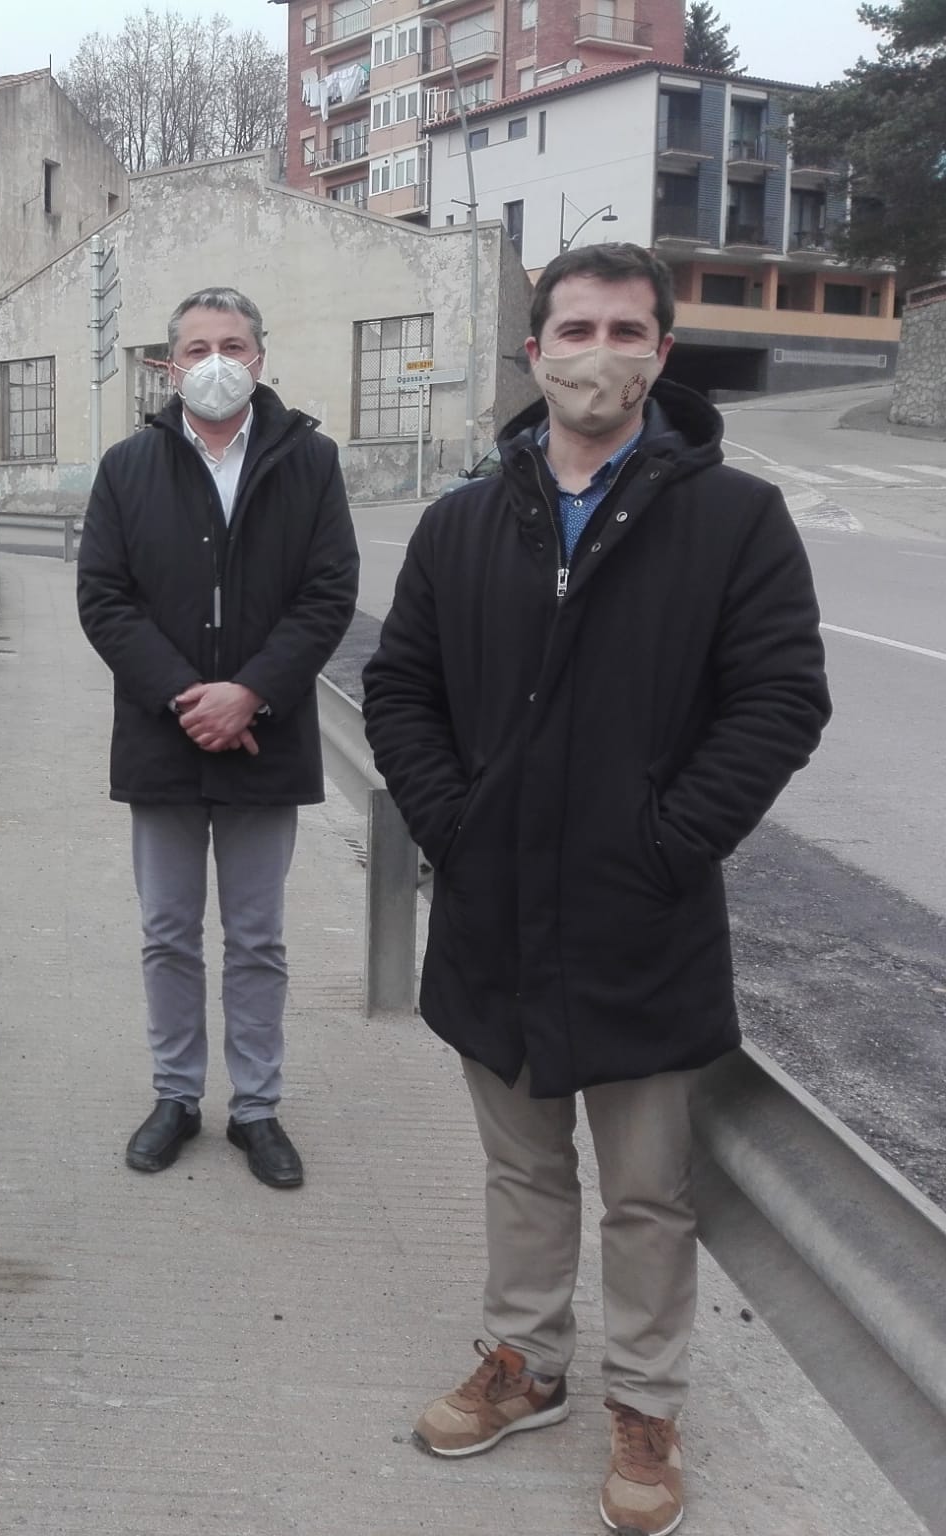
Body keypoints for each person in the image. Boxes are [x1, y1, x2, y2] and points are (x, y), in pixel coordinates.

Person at [361, 242, 830, 1536]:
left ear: (662, 355)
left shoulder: (732, 520)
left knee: (646, 1191)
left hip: (644, 920)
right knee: (521, 1172)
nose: (599, 354)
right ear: (535, 353)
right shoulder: (462, 523)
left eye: (628, 332)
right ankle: (525, 1363)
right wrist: (453, 824)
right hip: (494, 912)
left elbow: (780, 699)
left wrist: (667, 843)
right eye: (575, 330)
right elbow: (399, 687)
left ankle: (646, 1404)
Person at [77, 287, 359, 1188]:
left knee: (257, 937)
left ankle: (257, 1109)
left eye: (232, 345)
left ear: (260, 358)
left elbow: (328, 593)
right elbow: (104, 598)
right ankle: (175, 1097)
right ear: (169, 366)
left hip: (265, 738)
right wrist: (185, 697)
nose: (215, 362)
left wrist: (252, 693)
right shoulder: (127, 466)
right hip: (161, 739)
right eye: (196, 347)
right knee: (167, 932)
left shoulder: (310, 462)